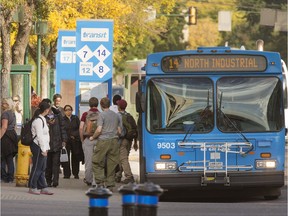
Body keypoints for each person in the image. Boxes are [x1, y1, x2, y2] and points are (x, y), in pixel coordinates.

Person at [90, 97, 122, 191]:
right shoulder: (117, 115)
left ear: (101, 105)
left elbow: (99, 130)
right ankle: (110, 184)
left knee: (97, 161)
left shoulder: (101, 115)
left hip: (103, 141)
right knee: (112, 163)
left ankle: (100, 182)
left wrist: (93, 137)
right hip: (114, 141)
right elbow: (119, 131)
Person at [28, 101, 53, 195]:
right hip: (38, 146)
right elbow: (40, 136)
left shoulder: (42, 119)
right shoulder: (38, 121)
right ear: (46, 110)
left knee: (42, 168)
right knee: (37, 167)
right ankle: (32, 186)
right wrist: (43, 149)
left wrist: (46, 148)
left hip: (43, 146)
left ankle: (43, 187)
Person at [44, 98, 68, 187]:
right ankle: (48, 180)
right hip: (47, 144)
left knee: (56, 164)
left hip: (57, 143)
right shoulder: (43, 117)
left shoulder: (58, 115)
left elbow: (63, 128)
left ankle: (55, 181)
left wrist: (64, 140)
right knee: (48, 164)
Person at [79, 97, 100, 186]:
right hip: (98, 140)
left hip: (88, 139)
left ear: (89, 104)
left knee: (88, 161)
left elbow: (81, 128)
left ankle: (88, 179)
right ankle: (96, 181)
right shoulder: (101, 114)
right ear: (98, 104)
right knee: (98, 161)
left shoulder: (85, 114)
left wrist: (82, 140)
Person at [115, 99, 135, 184]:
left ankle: (129, 176)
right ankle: (118, 176)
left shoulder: (117, 116)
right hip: (129, 140)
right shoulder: (129, 115)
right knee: (122, 158)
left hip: (122, 140)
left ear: (119, 107)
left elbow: (119, 131)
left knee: (123, 159)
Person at [62, 105, 84, 179]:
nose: (68, 111)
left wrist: (74, 135)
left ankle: (76, 173)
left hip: (75, 140)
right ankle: (66, 173)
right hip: (66, 141)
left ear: (72, 110)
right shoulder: (62, 119)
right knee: (66, 157)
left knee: (75, 157)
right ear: (64, 111)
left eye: (70, 109)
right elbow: (62, 130)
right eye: (66, 110)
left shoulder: (75, 118)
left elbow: (80, 128)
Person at [1, 98, 18, 183]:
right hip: (12, 136)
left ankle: (3, 176)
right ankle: (10, 177)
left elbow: (4, 127)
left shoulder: (5, 114)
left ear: (7, 104)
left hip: (6, 136)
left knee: (2, 158)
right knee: (10, 158)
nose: (1, 105)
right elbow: (14, 126)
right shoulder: (13, 113)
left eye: (3, 103)